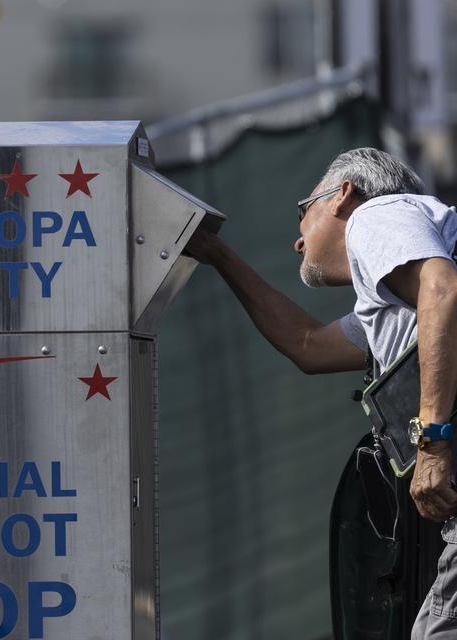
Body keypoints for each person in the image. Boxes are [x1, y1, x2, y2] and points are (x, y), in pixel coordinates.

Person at [185, 147, 457, 638]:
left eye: (304, 212)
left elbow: (442, 288)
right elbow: (308, 346)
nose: (297, 241)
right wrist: (218, 256)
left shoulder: (374, 215)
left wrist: (433, 442)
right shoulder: (396, 301)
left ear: (343, 196)